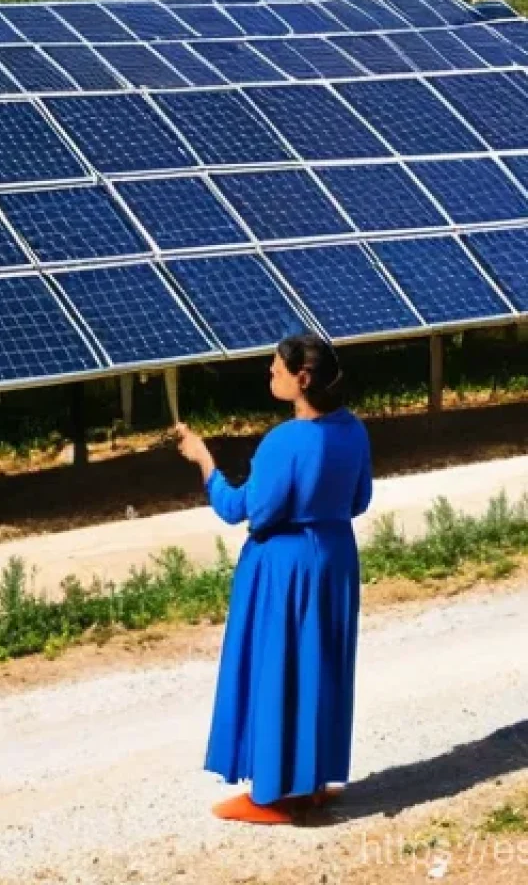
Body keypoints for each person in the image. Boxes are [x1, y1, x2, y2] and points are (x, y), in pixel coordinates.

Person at [175, 333, 372, 825]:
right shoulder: (353, 431)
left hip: (285, 566)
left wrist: (205, 462)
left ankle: (273, 794)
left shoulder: (283, 441)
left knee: (277, 667)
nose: (270, 374)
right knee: (321, 667)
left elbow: (246, 511)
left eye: (275, 369)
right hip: (334, 557)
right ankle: (314, 782)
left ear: (301, 379)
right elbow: (358, 501)